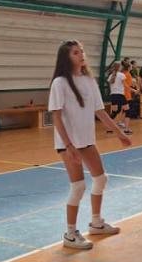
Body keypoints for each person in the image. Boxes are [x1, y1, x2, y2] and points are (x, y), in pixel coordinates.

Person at [49, 40, 132, 250]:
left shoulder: (89, 80)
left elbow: (100, 112)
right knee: (78, 187)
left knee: (101, 179)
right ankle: (70, 234)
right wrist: (69, 146)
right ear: (67, 58)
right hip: (69, 143)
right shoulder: (60, 83)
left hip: (87, 141)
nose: (81, 55)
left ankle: (96, 223)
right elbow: (56, 116)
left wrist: (120, 133)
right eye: (76, 53)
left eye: (82, 51)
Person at [107, 61, 131, 134]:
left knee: (115, 112)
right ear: (120, 67)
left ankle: (109, 128)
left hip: (113, 95)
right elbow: (125, 85)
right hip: (120, 95)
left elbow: (110, 86)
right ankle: (126, 129)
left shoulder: (111, 75)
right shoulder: (121, 75)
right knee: (128, 111)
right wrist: (133, 90)